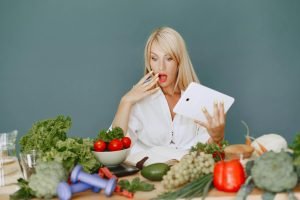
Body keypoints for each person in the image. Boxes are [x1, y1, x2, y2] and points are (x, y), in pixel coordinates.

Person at [112, 27, 225, 154]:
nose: (161, 66)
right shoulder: (138, 102)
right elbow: (114, 147)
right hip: (144, 172)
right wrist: (125, 102)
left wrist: (217, 137)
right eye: (154, 58)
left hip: (188, 172)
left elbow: (208, 152)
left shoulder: (198, 100)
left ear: (179, 62)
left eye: (169, 58)